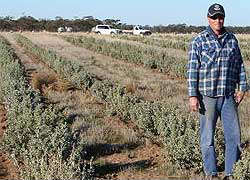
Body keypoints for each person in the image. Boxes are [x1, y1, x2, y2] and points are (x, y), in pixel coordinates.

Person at [187, 3, 248, 180]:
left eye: (220, 17)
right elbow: (192, 70)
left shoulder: (232, 39)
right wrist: (192, 95)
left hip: (228, 96)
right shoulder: (199, 40)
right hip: (207, 97)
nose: (217, 20)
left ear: (224, 18)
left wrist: (242, 87)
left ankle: (231, 173)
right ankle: (211, 173)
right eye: (214, 17)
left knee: (234, 136)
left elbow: (239, 65)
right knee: (207, 138)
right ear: (208, 19)